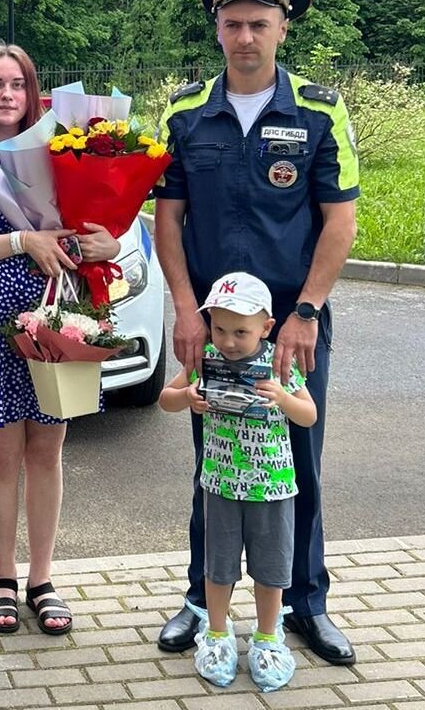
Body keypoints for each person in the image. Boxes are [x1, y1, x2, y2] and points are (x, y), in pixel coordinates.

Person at [153, 0, 360, 665]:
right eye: (234, 23)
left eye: (259, 24)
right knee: (211, 458)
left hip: (289, 328)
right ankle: (198, 600)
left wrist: (305, 312)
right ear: (217, 28)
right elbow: (167, 218)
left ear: (282, 29)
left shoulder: (320, 113)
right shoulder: (184, 114)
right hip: (211, 330)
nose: (245, 36)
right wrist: (183, 307)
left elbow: (340, 220)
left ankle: (306, 603)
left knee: (294, 460)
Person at [0, 44, 120, 636]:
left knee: (47, 452)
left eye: (17, 84)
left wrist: (104, 246)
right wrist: (24, 243)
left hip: (57, 322)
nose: (7, 95)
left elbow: (101, 233)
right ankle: (1, 576)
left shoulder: (63, 153)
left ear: (33, 91)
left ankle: (43, 578)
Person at [160, 272, 317, 692]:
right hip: (222, 484)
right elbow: (165, 399)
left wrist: (283, 398)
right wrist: (187, 398)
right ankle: (216, 634)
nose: (228, 341)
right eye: (220, 328)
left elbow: (309, 414)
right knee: (219, 566)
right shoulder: (206, 360)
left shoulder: (278, 364)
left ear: (267, 327)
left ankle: (268, 638)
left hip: (272, 486)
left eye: (241, 331)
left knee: (271, 568)